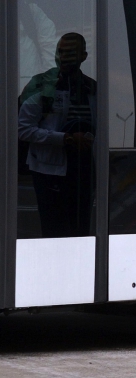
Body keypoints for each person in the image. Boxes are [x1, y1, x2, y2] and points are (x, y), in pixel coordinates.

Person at [18, 32, 96, 237]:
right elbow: (23, 129)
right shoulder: (43, 85)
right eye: (60, 52)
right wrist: (65, 139)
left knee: (80, 228)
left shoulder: (92, 88)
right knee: (54, 230)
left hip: (83, 171)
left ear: (83, 56)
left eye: (70, 53)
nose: (63, 57)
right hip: (49, 171)